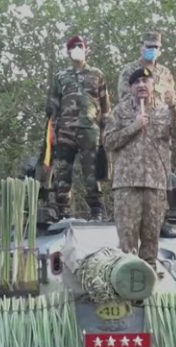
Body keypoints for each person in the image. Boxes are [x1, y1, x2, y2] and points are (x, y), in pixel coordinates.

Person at [104, 67, 176, 276]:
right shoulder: (120, 111)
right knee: (127, 244)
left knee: (151, 242)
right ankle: (127, 288)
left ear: (153, 86)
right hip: (127, 185)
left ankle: (148, 290)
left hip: (156, 185)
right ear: (131, 88)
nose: (141, 85)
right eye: (137, 82)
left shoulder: (165, 112)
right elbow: (108, 142)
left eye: (146, 81)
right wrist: (133, 126)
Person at [46, 35, 111, 220]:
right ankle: (63, 211)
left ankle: (96, 211)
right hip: (64, 131)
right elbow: (53, 107)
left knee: (91, 172)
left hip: (90, 131)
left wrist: (106, 131)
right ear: (68, 52)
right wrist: (51, 131)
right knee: (62, 172)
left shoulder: (97, 75)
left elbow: (106, 106)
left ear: (86, 49)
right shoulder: (60, 77)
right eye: (73, 47)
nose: (77, 49)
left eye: (80, 46)